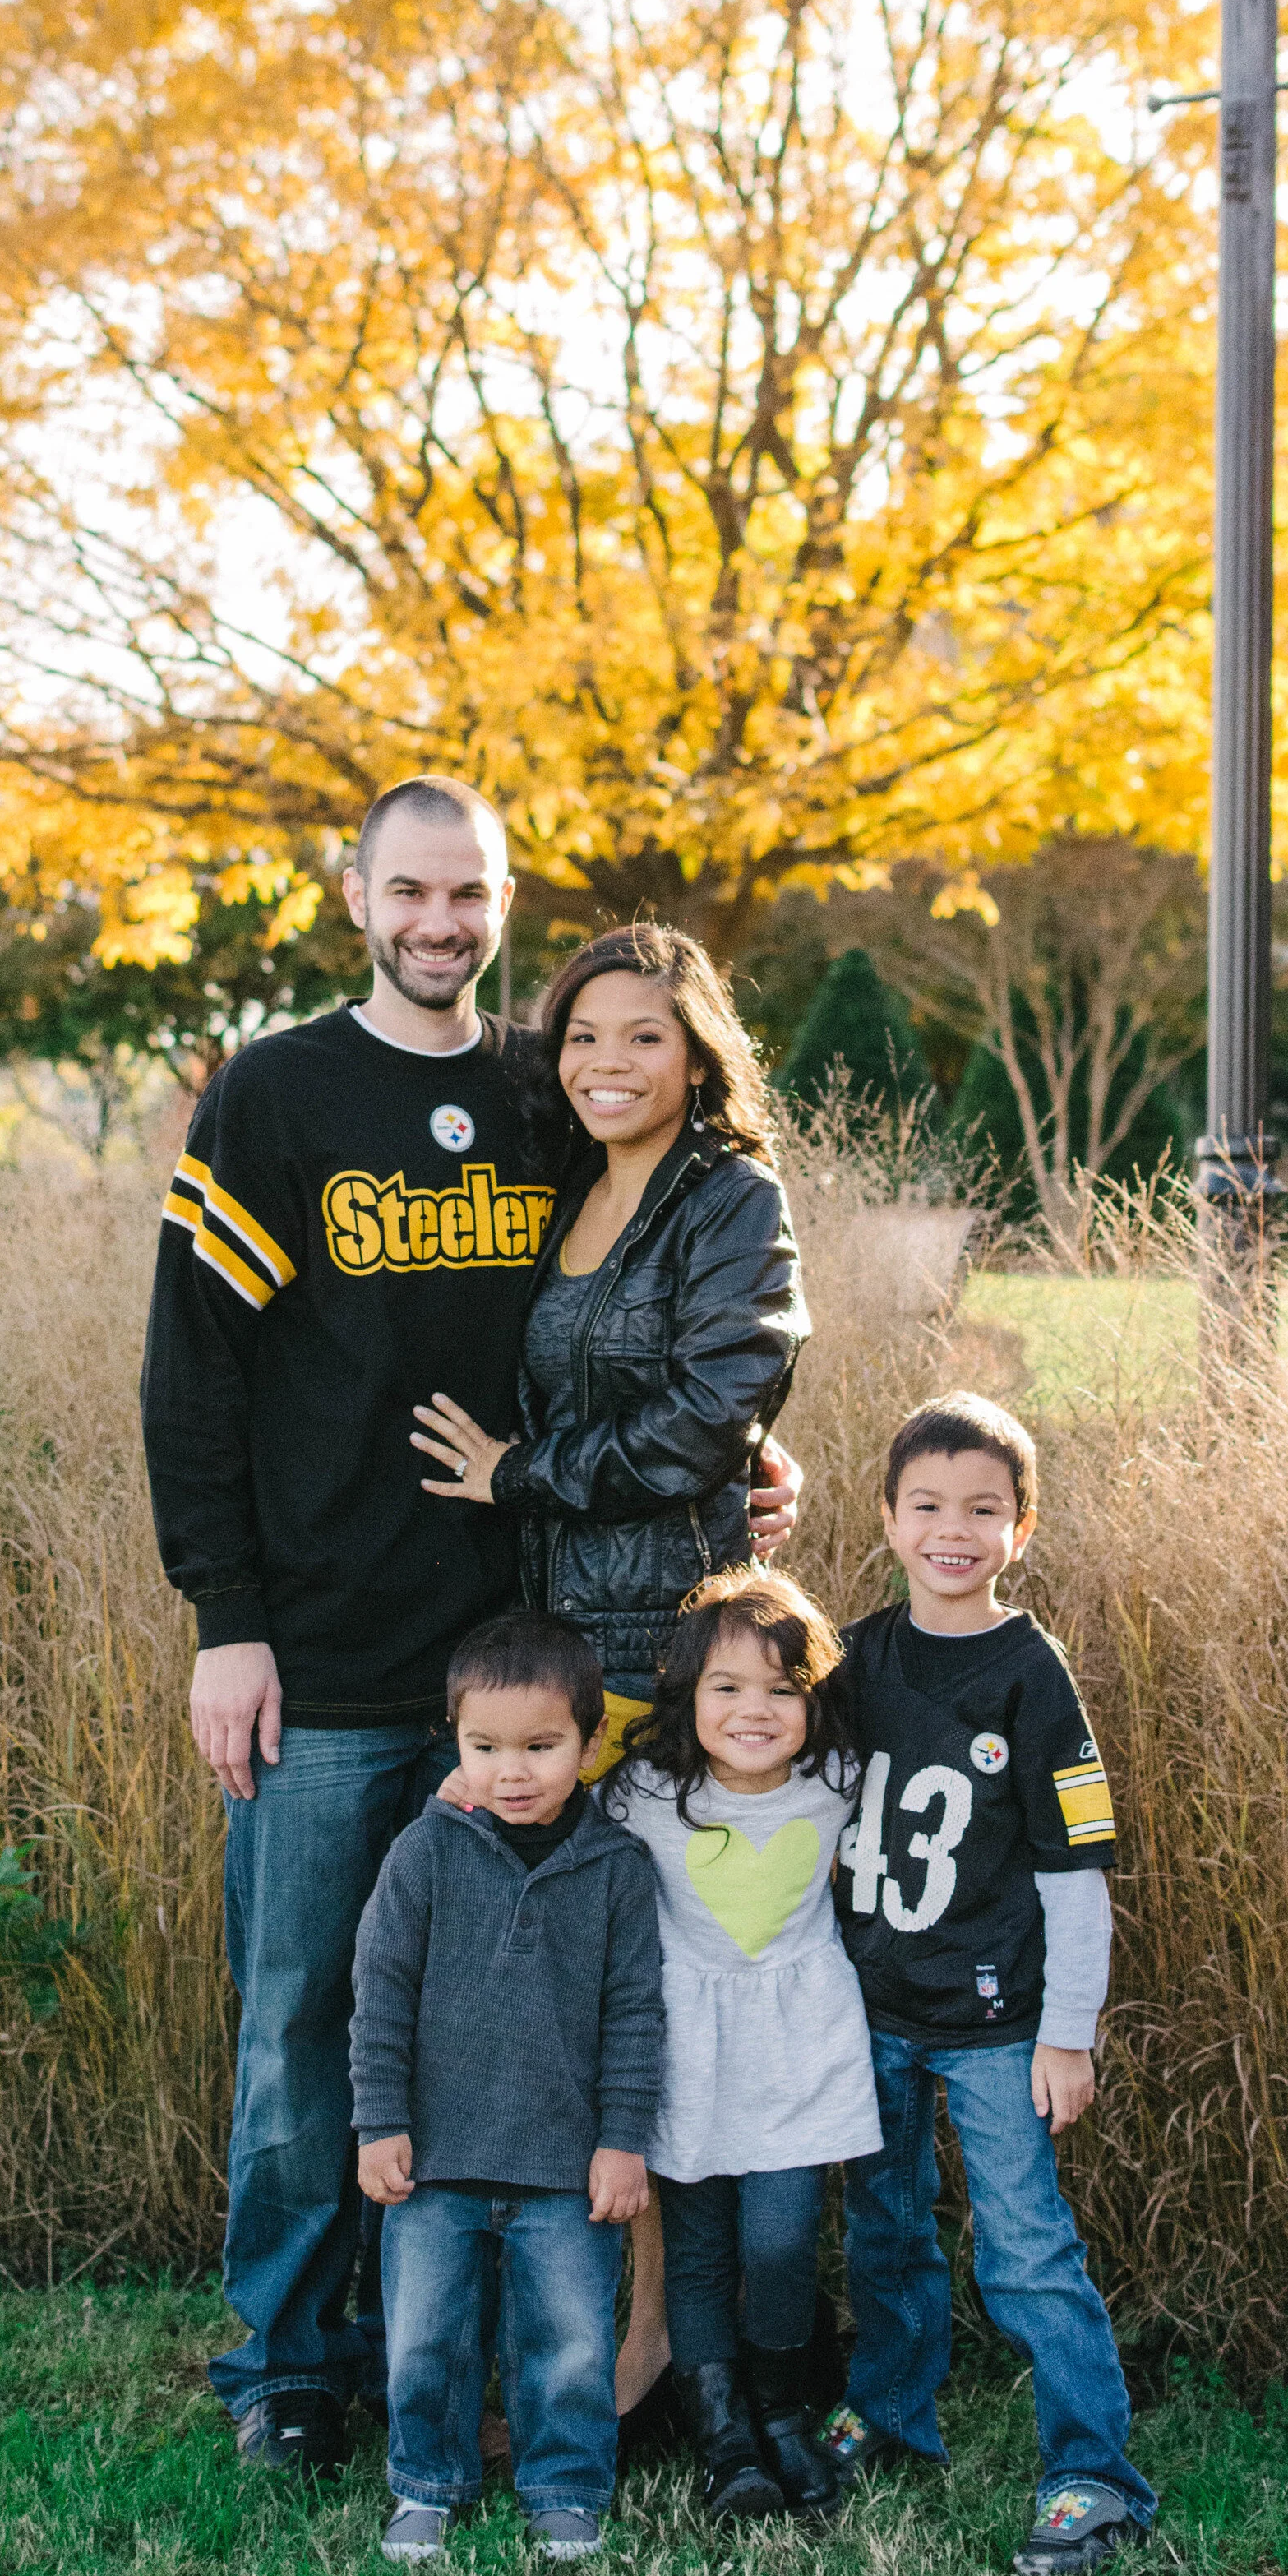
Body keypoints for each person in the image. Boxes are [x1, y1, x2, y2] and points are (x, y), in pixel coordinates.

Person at [139, 779, 799, 2478]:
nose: (441, 923)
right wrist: (229, 1621)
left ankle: (491, 2350)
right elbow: (190, 1376)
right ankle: (289, 2359)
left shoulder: (535, 1092)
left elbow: (621, 1306)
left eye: (471, 894)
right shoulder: (275, 1092)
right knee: (298, 2015)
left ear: (503, 902)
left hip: (528, 1661)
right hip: (334, 1656)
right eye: (411, 891)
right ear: (356, 894)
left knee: (514, 2028)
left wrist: (735, 1454)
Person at [407, 918, 810, 2430]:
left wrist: (523, 1476)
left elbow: (715, 1417)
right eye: (580, 1037)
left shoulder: (729, 1197)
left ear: (697, 1049)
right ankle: (590, 2339)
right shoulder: (570, 1184)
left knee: (656, 2011)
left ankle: (664, 2354)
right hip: (563, 1651)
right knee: (572, 2014)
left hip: (670, 1659)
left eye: (641, 1035)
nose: (605, 1063)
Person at [823, 1392, 1157, 2576]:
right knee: (885, 2229)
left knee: (1024, 2249)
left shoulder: (1032, 1675)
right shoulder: (855, 1655)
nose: (951, 1530)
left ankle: (1092, 2474)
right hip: (873, 2010)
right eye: (927, 1505)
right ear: (888, 1516)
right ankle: (892, 2411)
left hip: (996, 2026)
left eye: (982, 1508)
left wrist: (1068, 2035)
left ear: (1022, 1526)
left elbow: (1076, 1870)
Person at [351, 1612, 662, 2565]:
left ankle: (564, 2489)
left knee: (567, 2341)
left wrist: (623, 2140)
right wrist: (379, 2122)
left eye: (540, 1746)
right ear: (454, 1740)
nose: (511, 1771)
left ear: (590, 1742)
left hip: (566, 2166)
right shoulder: (427, 1853)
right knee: (427, 2338)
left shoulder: (616, 1871)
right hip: (435, 2158)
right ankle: (425, 2485)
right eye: (484, 1747)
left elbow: (636, 2017)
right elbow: (380, 1995)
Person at [602, 1570, 879, 2526]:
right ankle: (724, 2440)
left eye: (781, 1688)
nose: (754, 1710)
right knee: (701, 2252)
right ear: (688, 1695)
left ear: (814, 1699)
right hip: (689, 2051)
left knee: (781, 2238)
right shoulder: (643, 1793)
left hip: (801, 2047)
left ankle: (782, 2415)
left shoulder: (837, 1782)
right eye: (726, 1687)